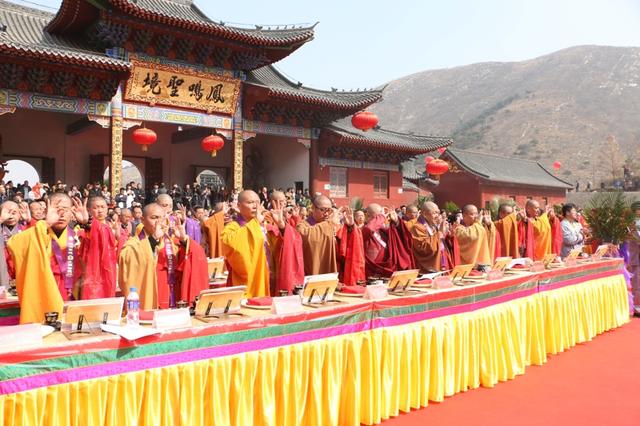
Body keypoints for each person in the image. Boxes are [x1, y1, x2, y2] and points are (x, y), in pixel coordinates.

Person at [7, 193, 89, 323]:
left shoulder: (79, 235)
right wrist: (46, 223)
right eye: (57, 209)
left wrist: (87, 224)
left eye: (65, 210)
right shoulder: (37, 233)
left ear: (72, 212)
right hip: (43, 296)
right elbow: (13, 243)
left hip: (72, 297)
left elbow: (100, 254)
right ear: (46, 211)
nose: (61, 214)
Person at [119, 203, 208, 309]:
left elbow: (192, 260)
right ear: (142, 220)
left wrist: (184, 240)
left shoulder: (170, 241)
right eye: (154, 218)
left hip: (173, 297)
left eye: (161, 218)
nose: (158, 222)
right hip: (151, 298)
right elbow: (128, 261)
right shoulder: (134, 244)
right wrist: (153, 240)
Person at [296, 195, 365, 285]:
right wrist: (328, 223)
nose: (327, 213)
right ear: (313, 208)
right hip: (313, 276)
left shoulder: (333, 225)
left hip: (334, 276)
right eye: (323, 210)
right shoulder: (303, 226)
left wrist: (350, 227)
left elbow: (346, 246)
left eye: (329, 210)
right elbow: (309, 238)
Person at [221, 190, 270, 297]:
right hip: (247, 284)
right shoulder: (232, 228)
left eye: (257, 202)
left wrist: (282, 228)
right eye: (250, 202)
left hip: (266, 279)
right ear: (238, 206)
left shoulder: (266, 224)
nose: (255, 206)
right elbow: (230, 245)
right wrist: (255, 223)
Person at [76, 196, 117, 299]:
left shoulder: (110, 226)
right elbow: (93, 229)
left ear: (107, 209)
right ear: (89, 210)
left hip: (109, 270)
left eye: (103, 207)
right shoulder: (90, 227)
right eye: (96, 207)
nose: (100, 210)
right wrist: (87, 222)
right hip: (94, 273)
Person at [264, 191, 305, 294]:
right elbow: (269, 232)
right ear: (273, 202)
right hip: (273, 259)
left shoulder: (287, 216)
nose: (284, 204)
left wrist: (294, 217)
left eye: (284, 201)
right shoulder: (265, 216)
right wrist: (281, 227)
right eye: (281, 201)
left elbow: (296, 233)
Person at [362, 203, 415, 277]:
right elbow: (369, 229)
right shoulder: (363, 230)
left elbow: (400, 237)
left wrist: (396, 222)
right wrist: (382, 217)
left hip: (388, 269)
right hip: (372, 272)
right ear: (367, 216)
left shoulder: (382, 230)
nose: (383, 217)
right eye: (378, 215)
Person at [411, 201, 451, 272]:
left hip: (441, 262)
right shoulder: (417, 227)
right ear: (425, 213)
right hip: (428, 267)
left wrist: (450, 236)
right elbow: (423, 247)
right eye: (434, 213)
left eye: (438, 213)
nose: (437, 216)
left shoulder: (433, 225)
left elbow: (441, 243)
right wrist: (440, 233)